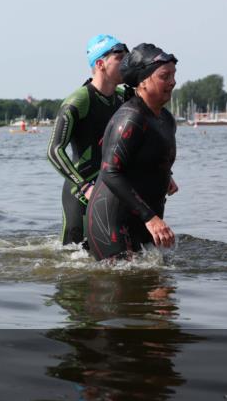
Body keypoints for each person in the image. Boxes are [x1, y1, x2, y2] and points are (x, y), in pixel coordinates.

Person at [86, 43, 179, 261]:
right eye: (165, 76)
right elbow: (110, 172)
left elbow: (147, 159)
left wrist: (165, 177)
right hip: (112, 223)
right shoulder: (130, 119)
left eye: (174, 75)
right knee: (126, 289)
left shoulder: (165, 119)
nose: (173, 82)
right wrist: (150, 218)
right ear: (143, 82)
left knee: (160, 288)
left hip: (144, 218)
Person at [47, 34, 129, 245]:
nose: (126, 63)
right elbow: (54, 151)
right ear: (101, 64)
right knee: (73, 257)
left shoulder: (124, 97)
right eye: (120, 58)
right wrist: (84, 187)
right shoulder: (79, 100)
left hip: (112, 185)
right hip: (81, 190)